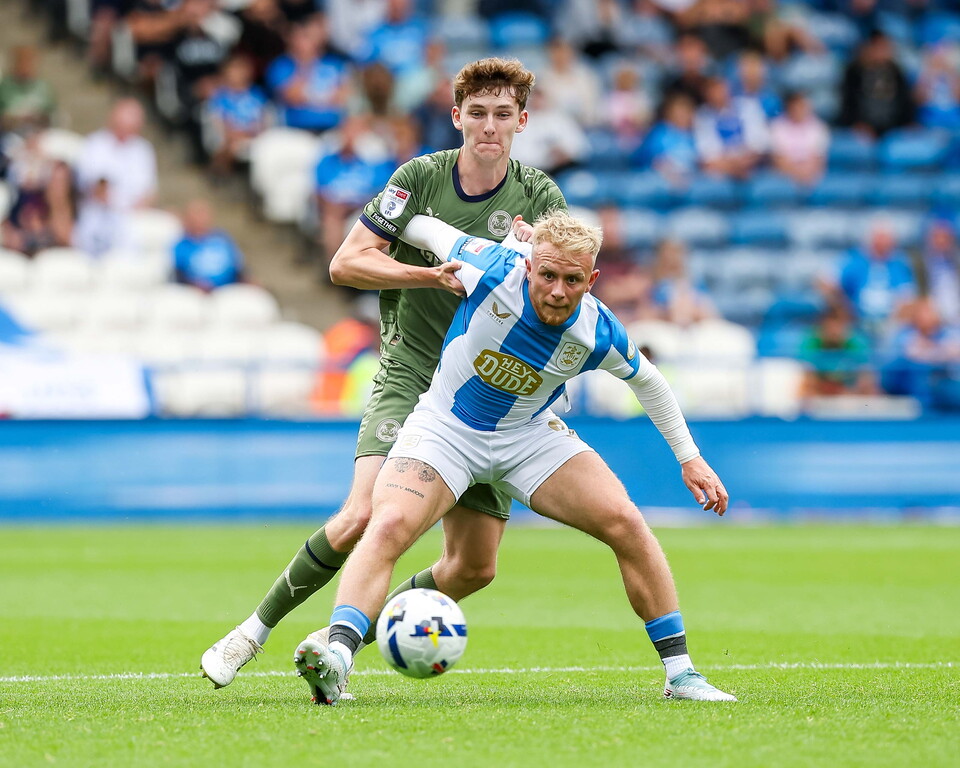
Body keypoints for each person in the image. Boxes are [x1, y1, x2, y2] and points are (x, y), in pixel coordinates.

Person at [199, 58, 567, 690]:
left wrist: (536, 258)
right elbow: (345, 263)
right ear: (456, 116)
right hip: (412, 373)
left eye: (502, 114)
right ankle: (250, 633)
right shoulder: (419, 180)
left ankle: (337, 641)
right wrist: (427, 275)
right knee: (364, 513)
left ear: (522, 121)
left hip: (484, 393)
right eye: (477, 113)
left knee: (474, 567)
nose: (489, 126)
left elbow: (566, 288)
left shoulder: (538, 196)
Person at [296, 210, 735, 705]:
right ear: (529, 266)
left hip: (527, 436)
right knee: (390, 523)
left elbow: (649, 382)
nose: (558, 292)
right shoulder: (489, 266)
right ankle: (337, 658)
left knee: (626, 522)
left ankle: (681, 674)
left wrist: (690, 458)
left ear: (592, 280)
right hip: (446, 428)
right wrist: (404, 254)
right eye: (547, 275)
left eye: (573, 280)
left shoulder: (598, 330)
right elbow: (420, 225)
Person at [75, 98, 157, 212]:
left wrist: (134, 210)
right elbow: (89, 185)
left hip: (135, 214)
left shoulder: (144, 149)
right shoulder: (94, 144)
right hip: (98, 212)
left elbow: (150, 192)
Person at [173, 199, 244, 290]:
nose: (201, 218)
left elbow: (238, 268)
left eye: (203, 214)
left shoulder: (222, 239)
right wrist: (194, 284)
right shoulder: (181, 245)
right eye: (197, 214)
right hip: (195, 293)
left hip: (228, 290)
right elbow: (178, 275)